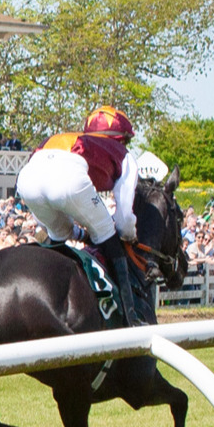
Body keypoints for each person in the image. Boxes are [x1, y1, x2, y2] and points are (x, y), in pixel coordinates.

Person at [16, 105, 144, 324]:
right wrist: (128, 233)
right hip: (69, 180)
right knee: (108, 235)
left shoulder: (60, 139)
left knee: (58, 236)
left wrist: (74, 232)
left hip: (26, 180)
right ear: (122, 139)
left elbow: (47, 220)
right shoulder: (123, 154)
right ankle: (131, 317)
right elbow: (124, 216)